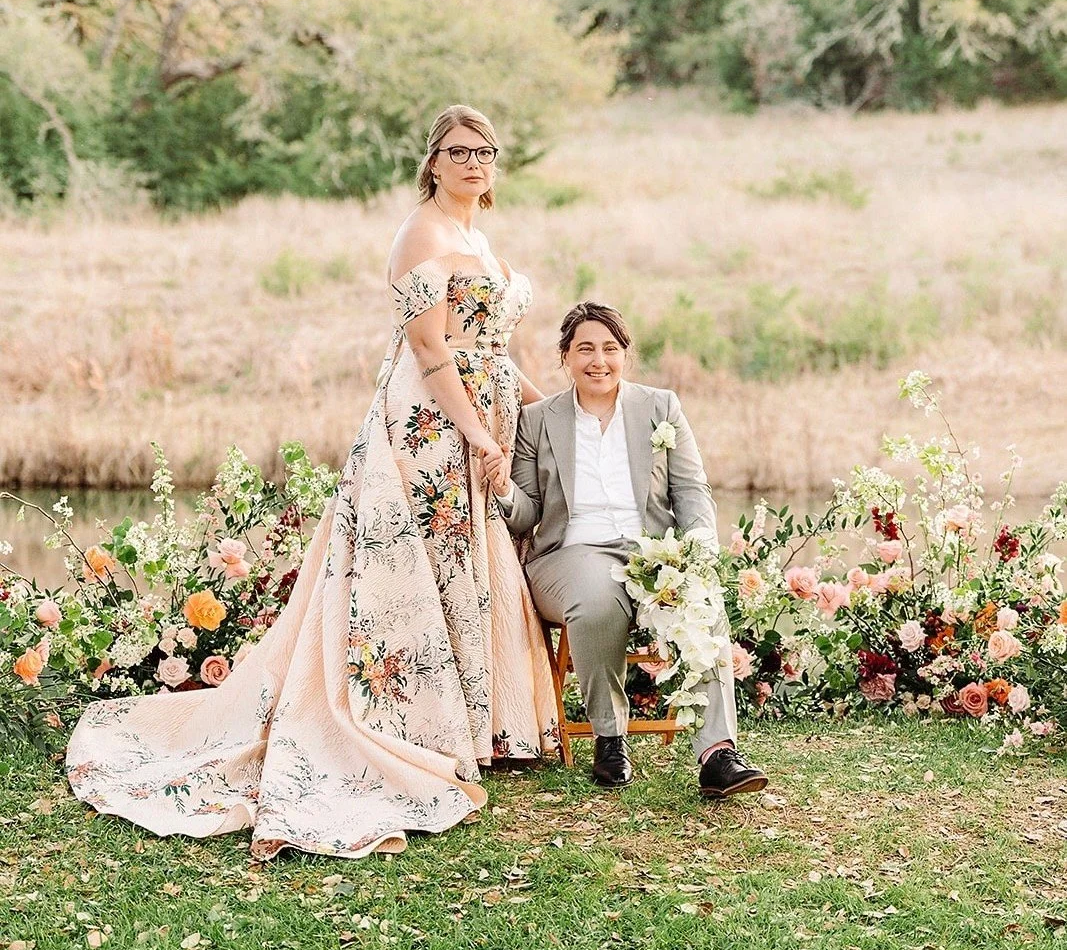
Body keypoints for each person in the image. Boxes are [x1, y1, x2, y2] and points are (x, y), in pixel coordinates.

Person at [66, 105, 558, 860]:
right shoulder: (420, 233)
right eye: (458, 151)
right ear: (431, 163)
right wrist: (481, 434)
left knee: (463, 561)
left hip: (477, 418)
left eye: (485, 151)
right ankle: (400, 728)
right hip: (427, 427)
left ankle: (470, 724)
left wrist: (543, 409)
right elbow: (430, 355)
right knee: (414, 565)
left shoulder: (477, 237)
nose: (473, 163)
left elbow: (489, 347)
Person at [484, 302, 768, 799]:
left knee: (699, 597)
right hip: (569, 555)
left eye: (610, 349)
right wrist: (505, 491)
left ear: (625, 355)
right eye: (585, 349)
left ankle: (717, 754)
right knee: (596, 596)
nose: (599, 360)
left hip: (652, 552)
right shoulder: (537, 420)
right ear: (565, 358)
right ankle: (609, 738)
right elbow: (528, 515)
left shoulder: (662, 407)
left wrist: (697, 549)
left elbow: (692, 491)